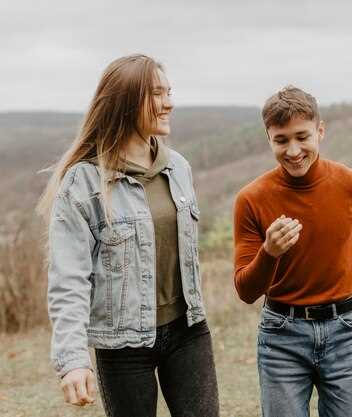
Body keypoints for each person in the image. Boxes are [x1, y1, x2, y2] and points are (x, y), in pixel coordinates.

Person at [37, 54, 219, 417]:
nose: (169, 102)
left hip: (188, 331)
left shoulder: (178, 168)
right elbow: (69, 279)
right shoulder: (84, 183)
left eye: (169, 92)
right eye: (157, 93)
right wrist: (73, 359)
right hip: (122, 345)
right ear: (126, 101)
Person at [233, 85, 352, 417]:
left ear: (320, 131)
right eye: (281, 140)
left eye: (302, 137)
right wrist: (269, 252)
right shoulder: (251, 199)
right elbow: (246, 291)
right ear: (268, 139)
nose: (293, 150)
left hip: (344, 330)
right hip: (281, 335)